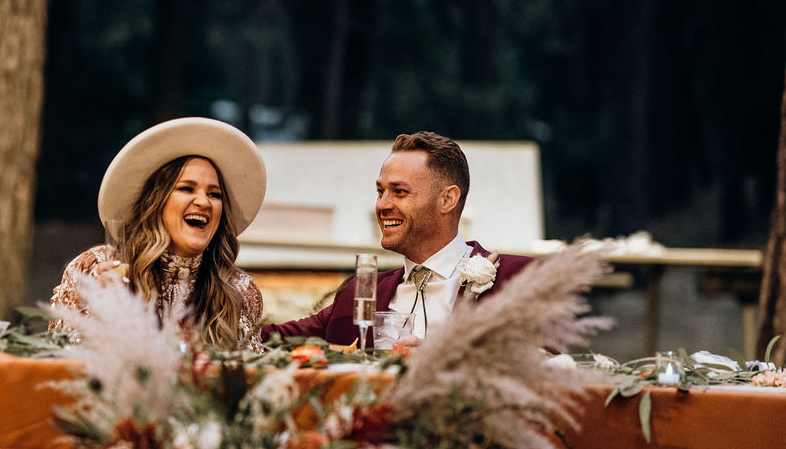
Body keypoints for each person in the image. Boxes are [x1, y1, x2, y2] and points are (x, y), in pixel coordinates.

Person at [262, 131, 534, 347]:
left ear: (447, 199)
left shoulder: (519, 279)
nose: (382, 205)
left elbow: (549, 367)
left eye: (400, 192)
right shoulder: (359, 292)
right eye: (380, 192)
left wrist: (438, 362)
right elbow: (272, 340)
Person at [51, 117, 267, 350]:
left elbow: (250, 370)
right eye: (187, 188)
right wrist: (102, 313)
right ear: (156, 202)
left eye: (214, 194)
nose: (204, 202)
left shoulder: (239, 291)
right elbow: (61, 361)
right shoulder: (95, 268)